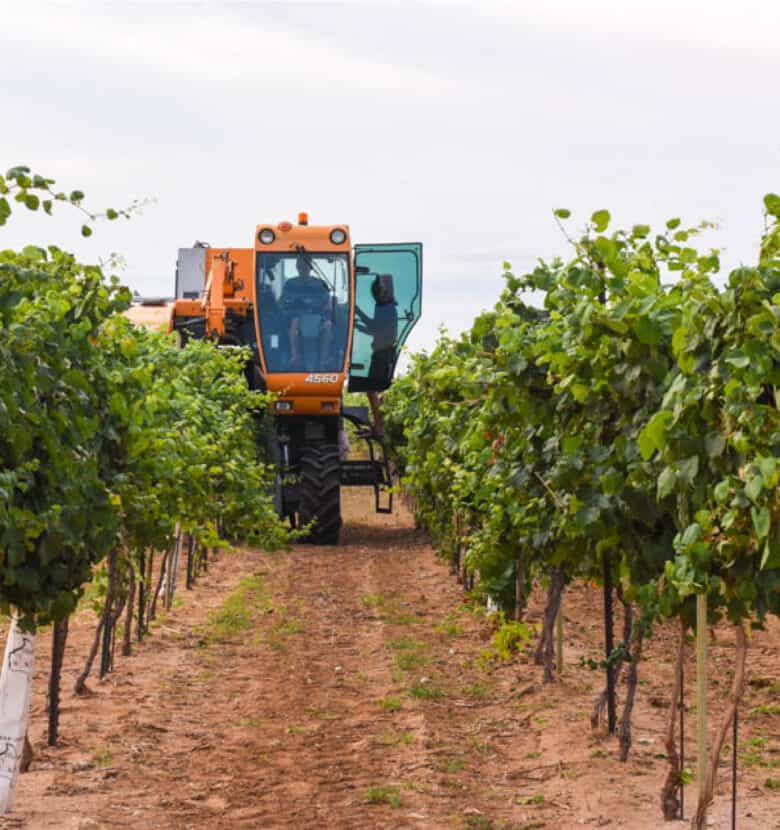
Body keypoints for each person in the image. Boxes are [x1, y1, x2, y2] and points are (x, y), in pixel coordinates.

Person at [280, 258, 333, 369]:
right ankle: (295, 357)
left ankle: (324, 360)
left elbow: (328, 304)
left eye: (305, 266)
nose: (302, 269)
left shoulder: (320, 284)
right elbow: (282, 302)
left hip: (317, 317)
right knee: (295, 322)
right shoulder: (290, 284)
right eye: (300, 267)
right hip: (296, 316)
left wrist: (315, 304)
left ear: (310, 267)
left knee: (328, 326)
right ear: (297, 268)